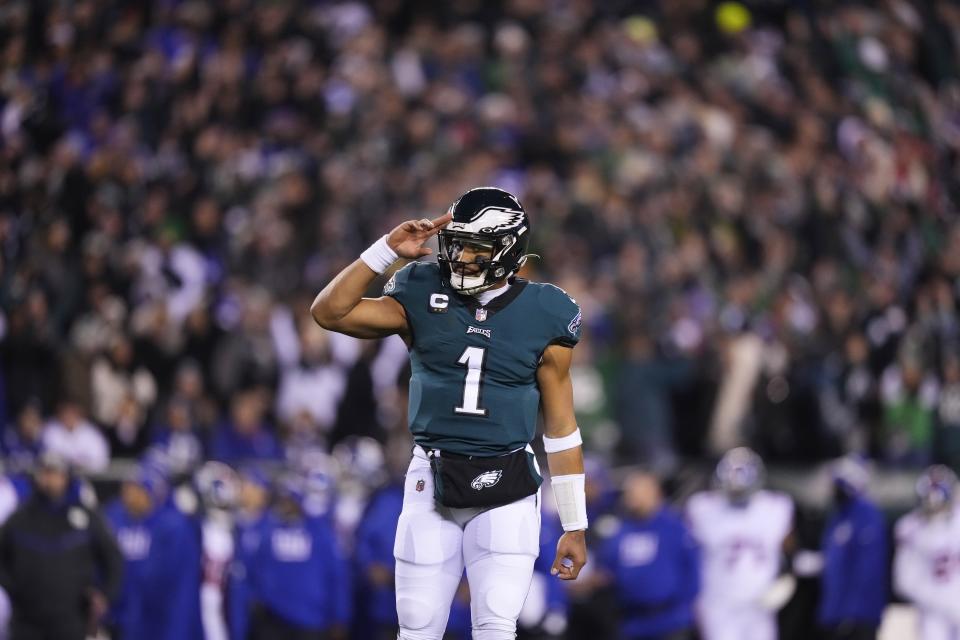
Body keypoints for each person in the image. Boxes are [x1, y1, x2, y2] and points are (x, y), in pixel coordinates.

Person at [311, 186, 588, 640]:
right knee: (416, 626)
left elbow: (560, 428)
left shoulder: (547, 312)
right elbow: (330, 313)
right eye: (456, 244)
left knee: (496, 624)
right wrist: (385, 251)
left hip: (508, 480)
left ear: (506, 251)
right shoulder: (420, 287)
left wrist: (575, 523)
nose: (460, 258)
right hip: (431, 474)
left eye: (475, 249)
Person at [0, 451, 123, 640]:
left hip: (72, 618)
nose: (50, 479)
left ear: (66, 477)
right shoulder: (20, 518)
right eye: (45, 473)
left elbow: (113, 557)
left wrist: (105, 594)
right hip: (27, 620)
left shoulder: (86, 517)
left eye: (55, 473)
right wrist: (14, 589)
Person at [687, 447, 794, 640]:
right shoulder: (702, 509)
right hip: (720, 606)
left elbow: (789, 549)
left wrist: (786, 573)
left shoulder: (775, 508)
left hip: (760, 606)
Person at [597, 470, 700, 640]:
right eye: (629, 493)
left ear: (654, 492)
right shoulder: (621, 531)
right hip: (633, 622)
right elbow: (608, 568)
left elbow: (693, 572)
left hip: (670, 621)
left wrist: (683, 610)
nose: (631, 498)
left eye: (636, 492)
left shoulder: (674, 527)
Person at [103, 466, 203, 640]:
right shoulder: (114, 517)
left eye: (136, 489)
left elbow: (178, 589)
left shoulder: (173, 527)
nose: (127, 494)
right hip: (122, 616)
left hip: (158, 618)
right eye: (127, 487)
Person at [817, 456, 888, 639]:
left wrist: (853, 611)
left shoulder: (866, 514)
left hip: (857, 614)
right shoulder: (839, 515)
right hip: (837, 610)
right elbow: (836, 561)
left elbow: (868, 569)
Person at [893, 465, 960, 640]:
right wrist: (938, 600)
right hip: (932, 609)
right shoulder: (911, 528)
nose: (933, 504)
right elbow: (903, 581)